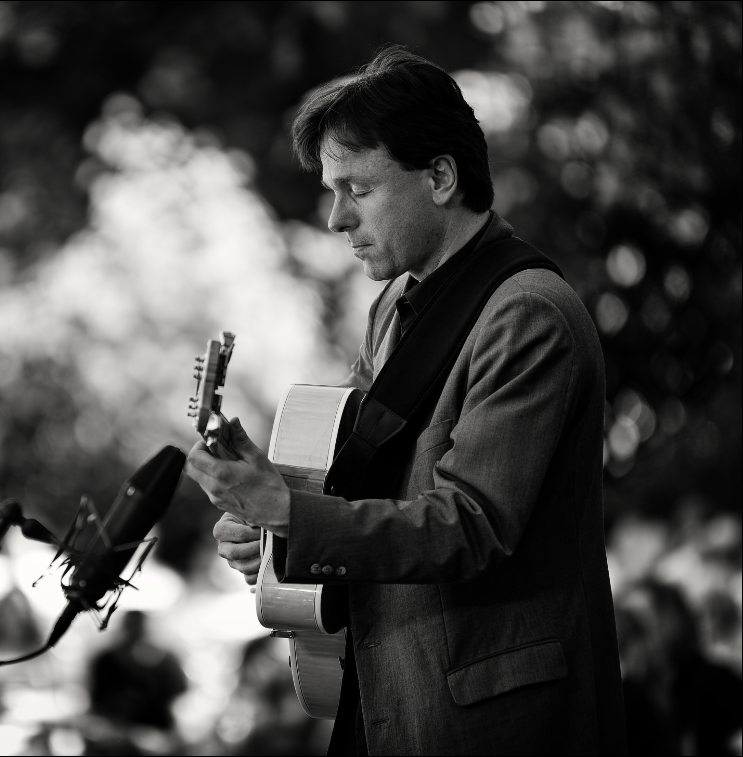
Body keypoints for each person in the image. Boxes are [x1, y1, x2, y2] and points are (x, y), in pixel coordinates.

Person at [185, 46, 626, 755]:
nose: (335, 219)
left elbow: (468, 522)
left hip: (496, 722)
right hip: (390, 700)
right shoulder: (392, 307)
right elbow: (367, 490)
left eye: (356, 190)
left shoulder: (528, 312)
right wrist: (271, 526)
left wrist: (289, 510)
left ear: (441, 177)